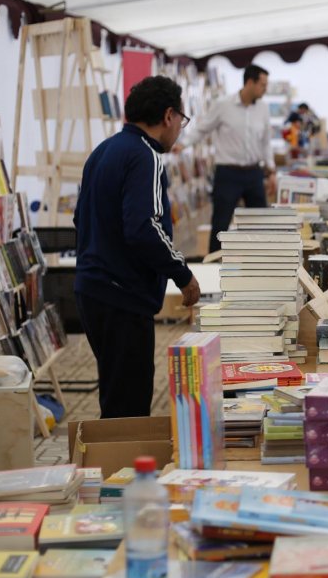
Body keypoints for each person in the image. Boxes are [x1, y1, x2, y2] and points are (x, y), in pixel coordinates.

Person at [74, 76, 200, 419]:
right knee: (128, 405)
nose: (180, 130)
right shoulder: (145, 156)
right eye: (182, 120)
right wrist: (182, 274)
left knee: (117, 394)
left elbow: (80, 218)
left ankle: (115, 465)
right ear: (169, 115)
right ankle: (123, 469)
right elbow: (144, 227)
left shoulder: (104, 150)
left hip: (93, 288)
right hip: (121, 294)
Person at [184, 64, 274, 254]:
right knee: (220, 224)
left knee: (260, 223)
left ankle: (260, 263)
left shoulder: (263, 109)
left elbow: (266, 142)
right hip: (228, 174)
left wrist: (271, 170)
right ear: (250, 82)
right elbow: (202, 129)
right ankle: (214, 265)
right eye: (263, 85)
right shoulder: (223, 105)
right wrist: (181, 144)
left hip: (254, 174)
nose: (265, 90)